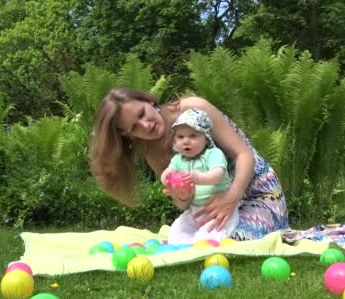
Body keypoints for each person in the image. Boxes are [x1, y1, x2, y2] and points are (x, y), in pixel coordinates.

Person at [89, 87, 289, 240]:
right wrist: (183, 197)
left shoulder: (194, 109)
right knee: (197, 240)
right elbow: (185, 204)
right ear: (128, 135)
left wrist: (230, 197)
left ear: (149, 100)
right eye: (134, 127)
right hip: (216, 209)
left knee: (233, 240)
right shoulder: (151, 152)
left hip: (259, 195)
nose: (145, 125)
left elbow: (244, 155)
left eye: (142, 113)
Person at [160, 108, 239, 245]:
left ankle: (200, 244)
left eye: (193, 136)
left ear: (206, 139)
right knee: (178, 228)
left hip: (219, 209)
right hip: (194, 210)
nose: (186, 141)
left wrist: (198, 178)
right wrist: (166, 179)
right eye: (180, 137)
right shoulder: (179, 159)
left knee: (211, 234)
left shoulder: (212, 154)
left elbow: (218, 174)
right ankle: (178, 243)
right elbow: (168, 171)